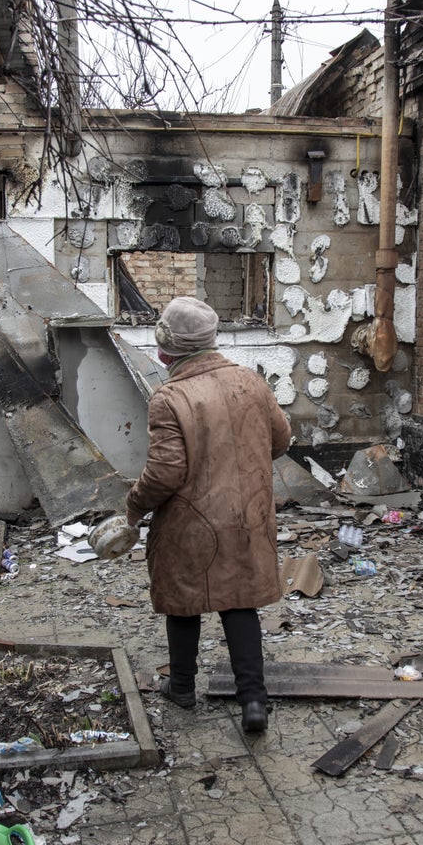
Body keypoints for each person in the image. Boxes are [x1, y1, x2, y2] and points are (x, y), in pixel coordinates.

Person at [126, 297, 291, 733]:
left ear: (166, 349)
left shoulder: (171, 396)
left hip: (191, 523)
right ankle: (254, 701)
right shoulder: (249, 382)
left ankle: (181, 686)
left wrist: (134, 506)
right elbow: (281, 439)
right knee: (240, 603)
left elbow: (165, 473)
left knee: (184, 603)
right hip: (247, 517)